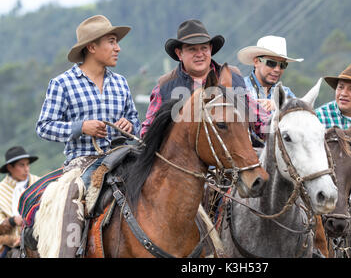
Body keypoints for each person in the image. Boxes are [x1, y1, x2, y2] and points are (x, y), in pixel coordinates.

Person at [35, 15, 140, 257]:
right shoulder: (62, 84)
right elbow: (44, 127)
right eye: (112, 41)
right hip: (82, 163)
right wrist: (81, 127)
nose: (118, 48)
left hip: (123, 157)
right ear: (92, 47)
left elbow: (136, 121)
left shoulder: (121, 83)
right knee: (71, 198)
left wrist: (130, 125)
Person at [140, 19, 268, 139]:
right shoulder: (165, 86)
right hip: (184, 161)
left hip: (235, 157)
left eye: (204, 48)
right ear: (179, 54)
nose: (200, 54)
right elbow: (148, 132)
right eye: (192, 49)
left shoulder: (233, 77)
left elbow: (259, 119)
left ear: (210, 49)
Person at [238, 35, 303, 113]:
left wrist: (280, 105)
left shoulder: (285, 92)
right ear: (256, 62)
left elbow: (303, 114)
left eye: (282, 65)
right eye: (271, 63)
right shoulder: (238, 89)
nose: (277, 69)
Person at [0, 146, 40, 257]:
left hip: (41, 239)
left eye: (27, 165)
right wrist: (12, 221)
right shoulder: (1, 191)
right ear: (10, 167)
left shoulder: (39, 183)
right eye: (21, 165)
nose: (26, 169)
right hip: (12, 245)